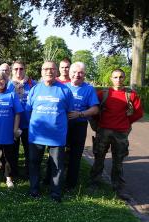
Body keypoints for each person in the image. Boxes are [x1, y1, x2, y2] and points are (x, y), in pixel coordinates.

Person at [90, 68, 143, 199]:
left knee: (118, 160)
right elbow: (95, 111)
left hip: (121, 133)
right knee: (99, 157)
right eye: (115, 77)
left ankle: (118, 186)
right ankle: (94, 182)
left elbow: (138, 113)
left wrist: (125, 122)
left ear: (124, 78)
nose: (118, 80)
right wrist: (99, 124)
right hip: (103, 131)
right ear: (111, 79)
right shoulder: (103, 94)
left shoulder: (131, 95)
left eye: (120, 77)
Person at [26, 61, 75, 202]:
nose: (49, 71)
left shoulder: (65, 90)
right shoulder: (35, 89)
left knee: (57, 165)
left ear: (56, 71)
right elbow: (28, 111)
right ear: (41, 71)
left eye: (52, 69)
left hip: (57, 135)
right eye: (46, 69)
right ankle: (34, 190)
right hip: (36, 135)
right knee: (34, 163)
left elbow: (69, 112)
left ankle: (55, 193)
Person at [64, 62, 99, 190]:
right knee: (57, 152)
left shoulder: (89, 89)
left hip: (79, 126)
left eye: (80, 72)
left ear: (84, 74)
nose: (77, 75)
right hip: (62, 126)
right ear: (69, 73)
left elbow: (95, 109)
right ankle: (52, 180)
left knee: (75, 155)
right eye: (74, 72)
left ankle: (70, 184)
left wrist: (79, 114)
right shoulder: (63, 87)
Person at [8, 61, 36, 179]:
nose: (18, 71)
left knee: (29, 151)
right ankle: (13, 173)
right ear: (12, 71)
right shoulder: (8, 85)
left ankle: (29, 173)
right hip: (13, 123)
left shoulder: (32, 84)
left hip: (28, 123)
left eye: (21, 69)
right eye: (16, 69)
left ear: (25, 69)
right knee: (12, 151)